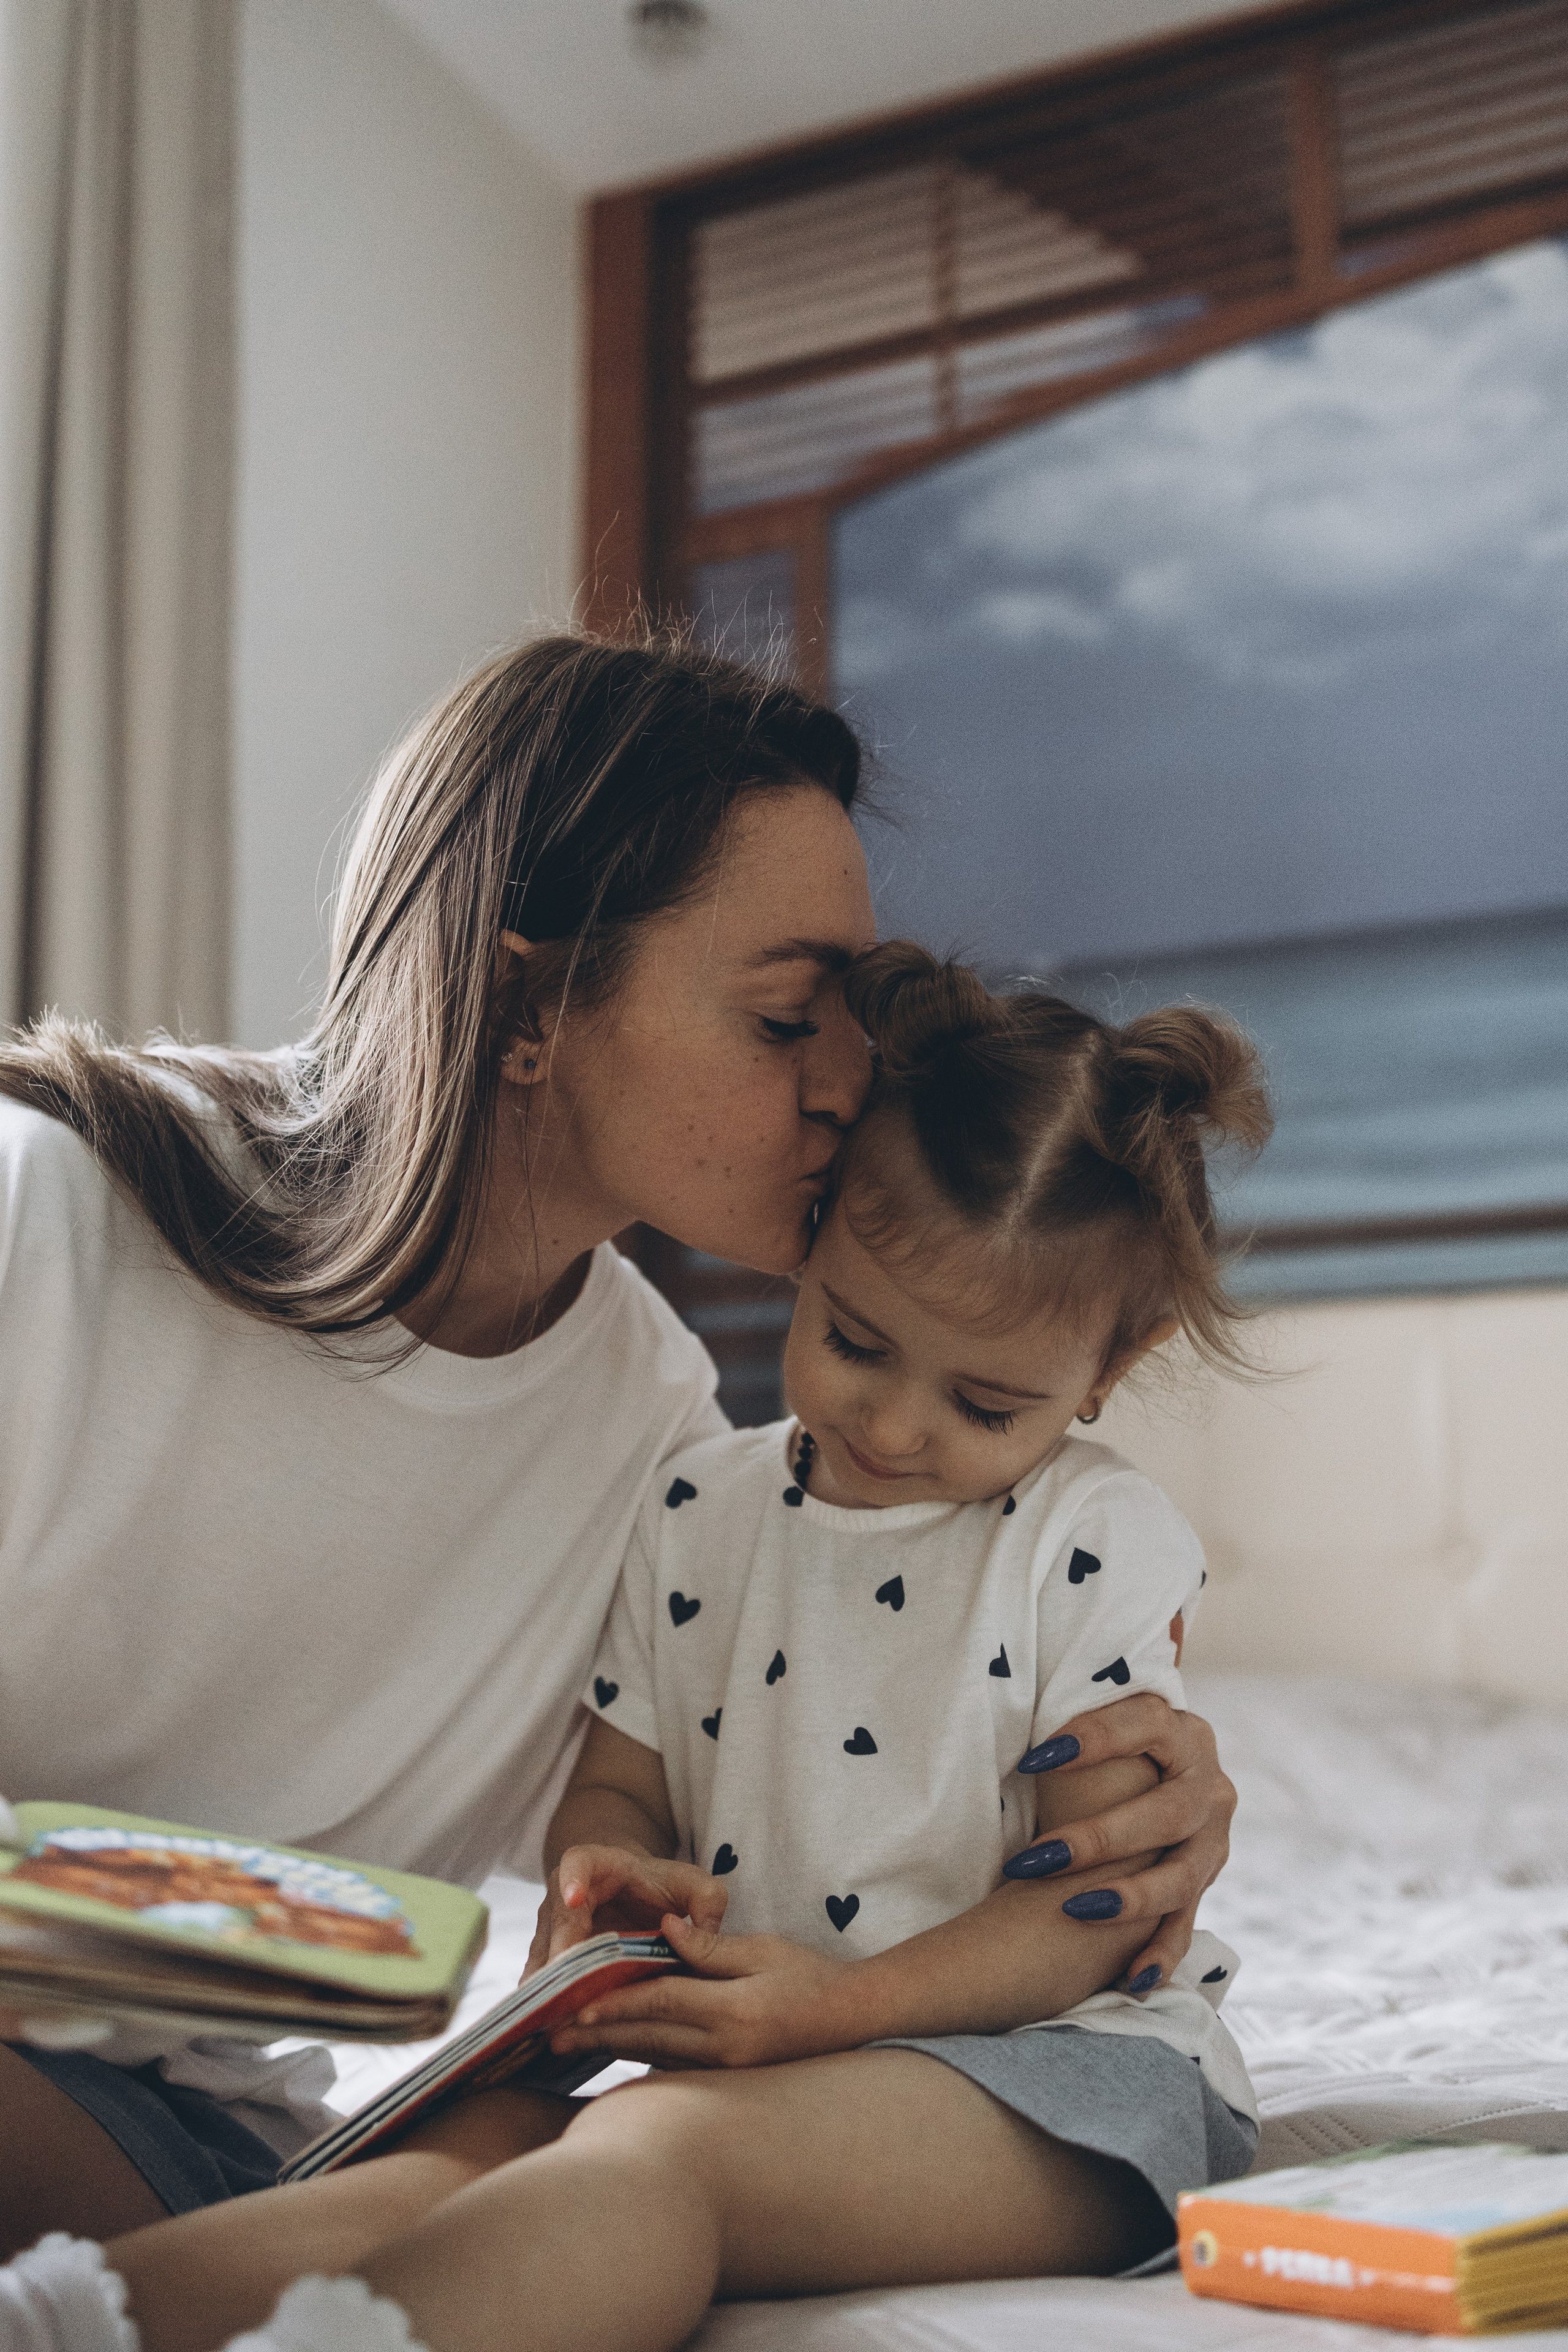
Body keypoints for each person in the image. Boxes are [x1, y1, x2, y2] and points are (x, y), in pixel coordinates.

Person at [0, 633, 1237, 2269]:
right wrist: (320, 1944)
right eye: (790, 1017)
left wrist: (1143, 1804)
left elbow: (670, 1853)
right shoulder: (42, 1219)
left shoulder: (658, 1425)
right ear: (527, 1002)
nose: (854, 1086)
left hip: (185, 2142)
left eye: (855, 1019)